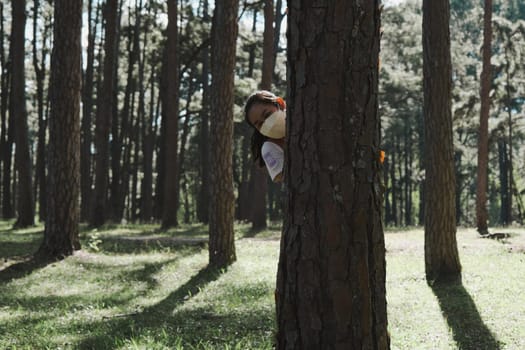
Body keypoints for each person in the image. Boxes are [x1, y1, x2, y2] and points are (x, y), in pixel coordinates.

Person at [244, 90, 286, 182]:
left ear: (280, 103)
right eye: (259, 124)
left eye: (267, 115)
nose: (267, 123)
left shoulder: (306, 113)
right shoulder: (269, 148)